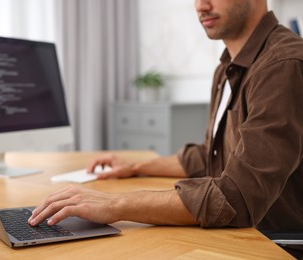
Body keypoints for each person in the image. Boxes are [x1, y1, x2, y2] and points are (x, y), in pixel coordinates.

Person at [29, 0, 303, 256]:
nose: (201, 6)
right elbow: (212, 155)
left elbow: (236, 199)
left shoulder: (282, 65)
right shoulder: (228, 67)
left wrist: (114, 204)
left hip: (271, 242)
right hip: (239, 234)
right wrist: (136, 167)